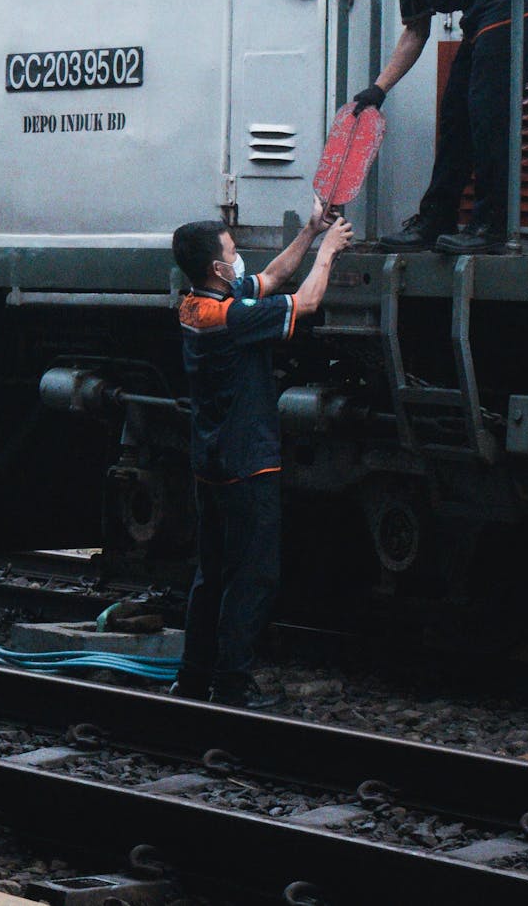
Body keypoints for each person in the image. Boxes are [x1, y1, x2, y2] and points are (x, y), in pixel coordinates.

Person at [171, 200, 352, 708]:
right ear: (217, 267)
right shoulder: (231, 319)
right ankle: (231, 685)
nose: (239, 257)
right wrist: (330, 254)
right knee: (253, 576)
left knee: (211, 576)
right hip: (247, 463)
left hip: (210, 463)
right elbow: (307, 301)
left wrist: (312, 233)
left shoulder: (197, 305)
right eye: (231, 251)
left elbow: (271, 277)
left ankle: (192, 678)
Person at [320, 0, 528, 253]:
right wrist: (378, 89)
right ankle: (436, 220)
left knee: (486, 109)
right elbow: (415, 31)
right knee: (455, 115)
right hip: (480, 19)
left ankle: (490, 227)